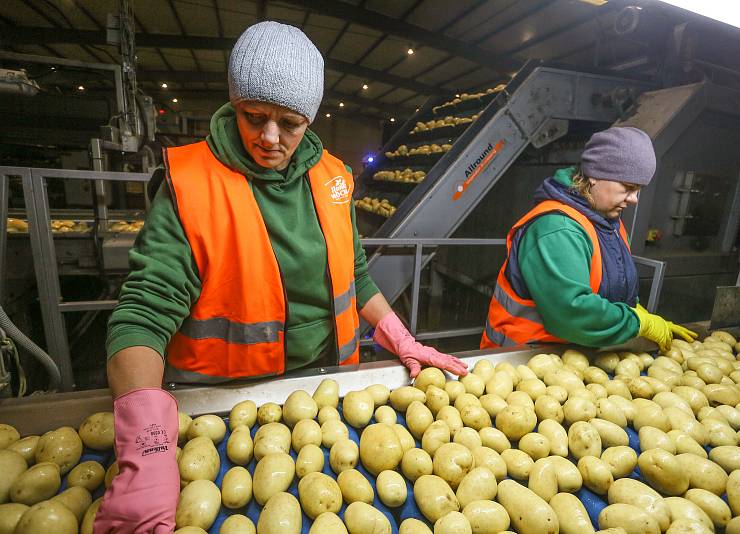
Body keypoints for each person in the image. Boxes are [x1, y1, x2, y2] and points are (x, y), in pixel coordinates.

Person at [95, 21, 467, 533]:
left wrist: (400, 336)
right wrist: (147, 447)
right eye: (254, 117)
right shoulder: (192, 185)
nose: (270, 138)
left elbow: (355, 274)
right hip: (224, 407)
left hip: (323, 388)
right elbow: (141, 314)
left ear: (310, 119)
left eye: (290, 123)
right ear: (234, 104)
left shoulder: (332, 176)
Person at [481, 126, 696, 352]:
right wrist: (638, 323)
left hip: (575, 353)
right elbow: (571, 312)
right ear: (594, 176)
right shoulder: (557, 229)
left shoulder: (607, 222)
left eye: (639, 189)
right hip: (524, 358)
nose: (634, 199)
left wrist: (636, 310)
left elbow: (610, 285)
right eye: (628, 187)